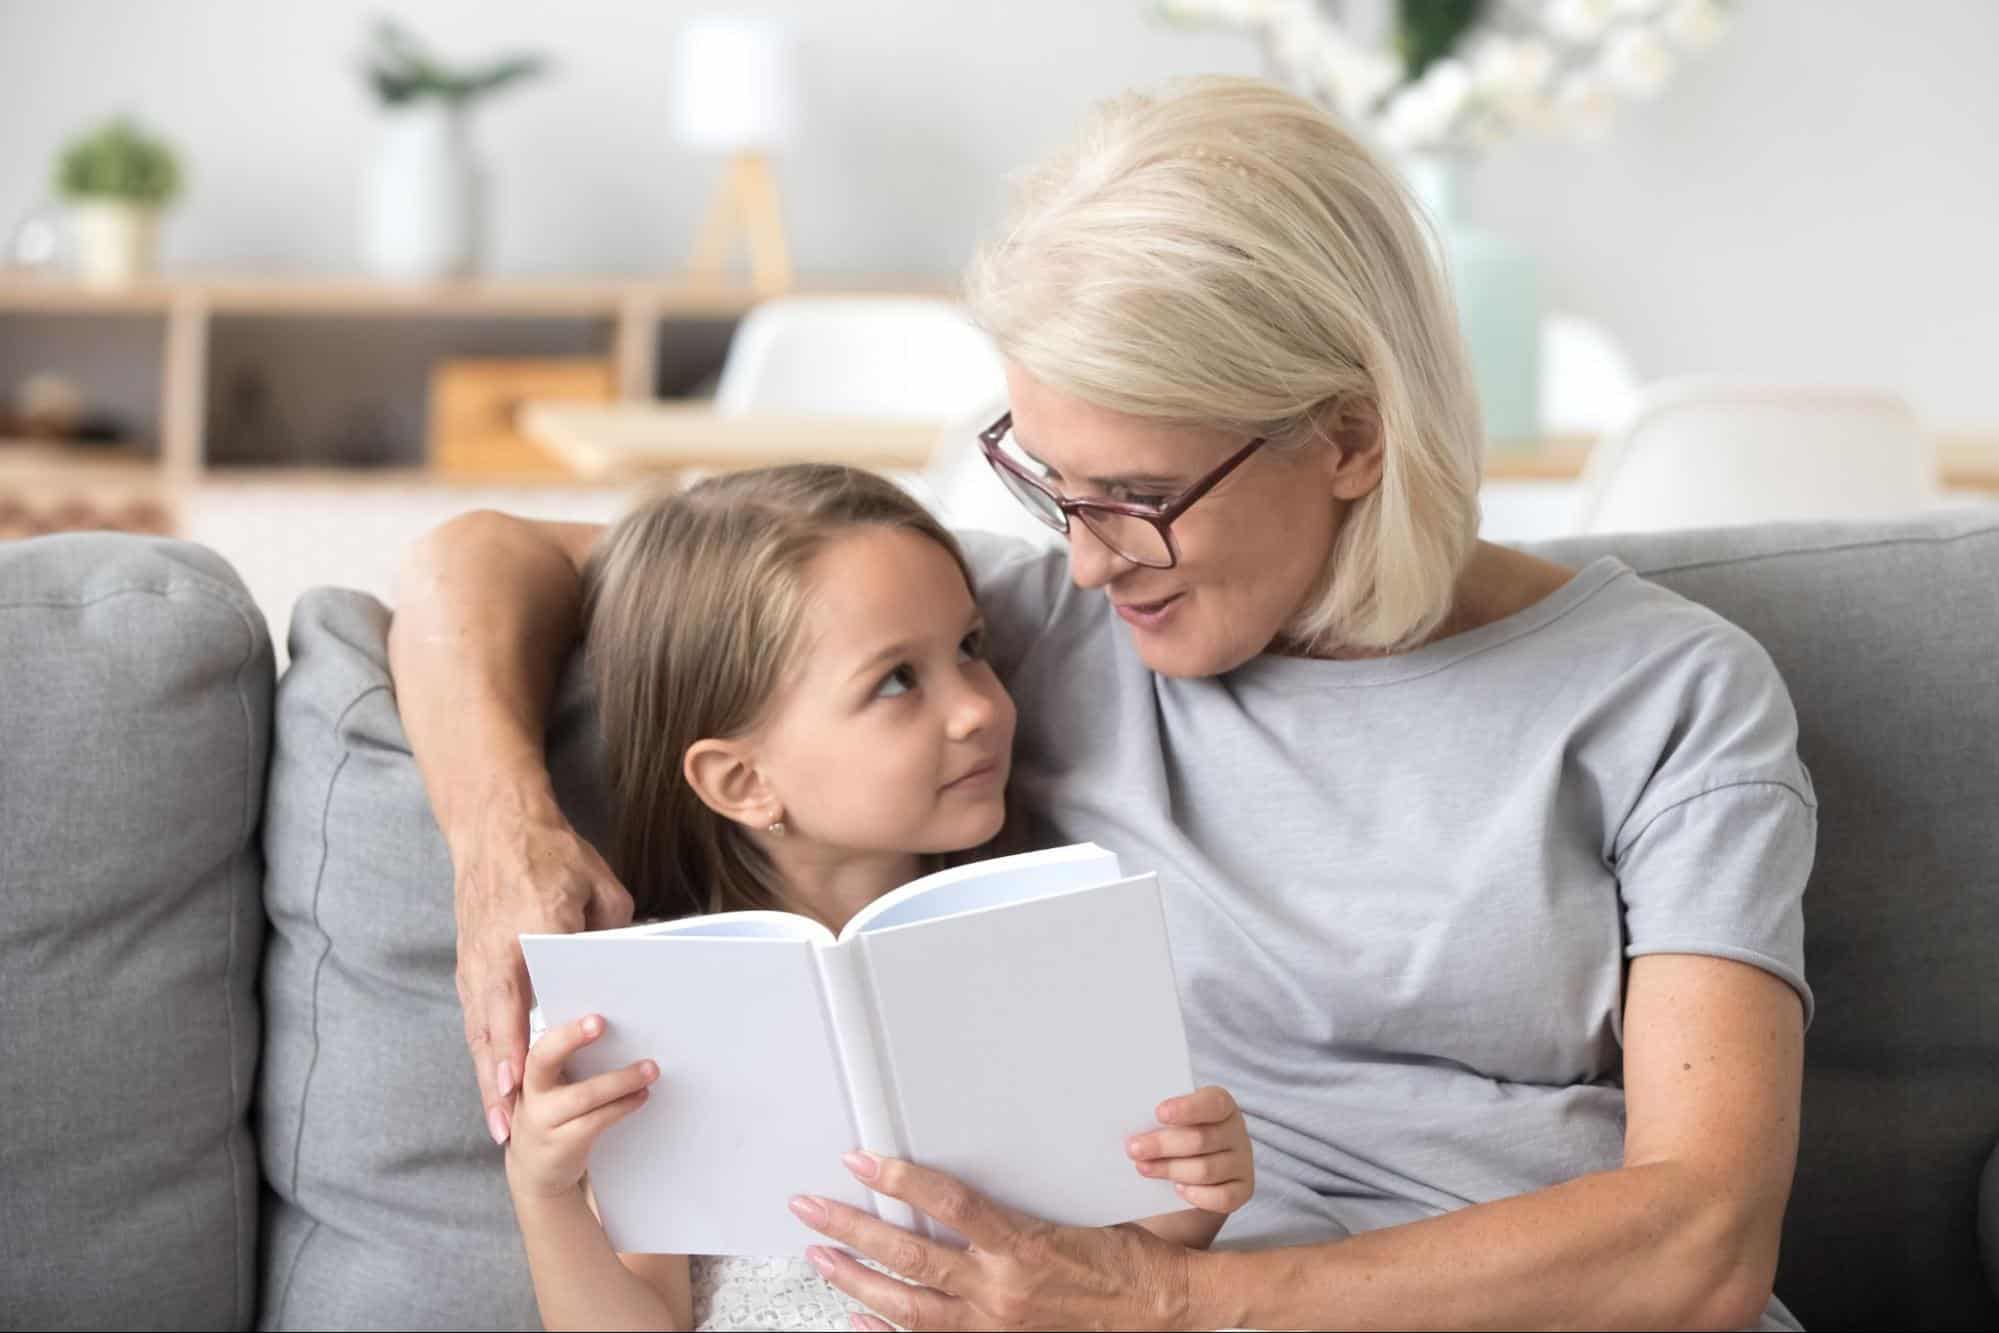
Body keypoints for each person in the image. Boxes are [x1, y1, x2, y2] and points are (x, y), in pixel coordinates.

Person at [391, 76, 1813, 1331]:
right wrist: (498, 828)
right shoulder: (1016, 643)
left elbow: (1698, 1241)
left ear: (1344, 436)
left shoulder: (1666, 699)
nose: (1078, 557)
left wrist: (1177, 1304)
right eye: (1045, 483)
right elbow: (479, 559)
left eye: (1134, 497)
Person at [489, 465, 1256, 1331]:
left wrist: (1195, 1193)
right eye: (897, 680)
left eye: (970, 647)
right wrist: (546, 1193)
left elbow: (1120, 1270)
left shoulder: (1047, 944)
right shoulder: (656, 1009)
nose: (976, 707)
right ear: (742, 780)